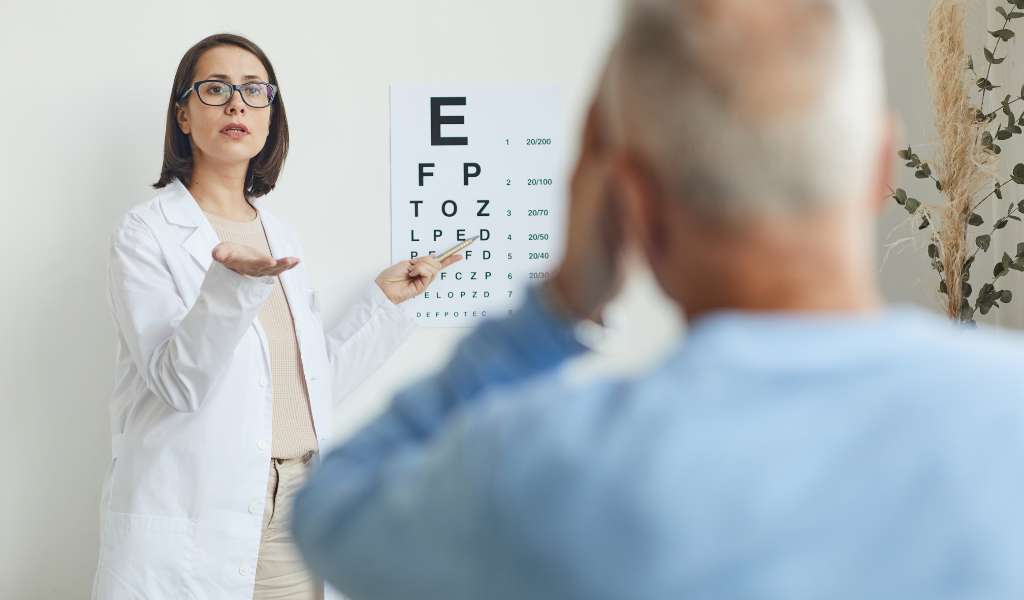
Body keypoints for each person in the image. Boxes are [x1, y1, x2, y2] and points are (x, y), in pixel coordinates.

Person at [290, 0, 1024, 598]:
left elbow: (333, 509)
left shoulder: (550, 465)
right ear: (879, 165)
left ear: (631, 208)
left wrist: (556, 307)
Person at [91, 33, 459, 600]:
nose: (237, 103)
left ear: (270, 114)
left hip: (296, 501)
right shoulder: (146, 233)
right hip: (199, 512)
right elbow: (178, 382)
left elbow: (309, 386)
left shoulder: (280, 233)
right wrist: (230, 285)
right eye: (214, 89)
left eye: (254, 90)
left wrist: (384, 303)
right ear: (183, 115)